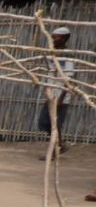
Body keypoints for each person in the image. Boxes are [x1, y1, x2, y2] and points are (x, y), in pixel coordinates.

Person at [38, 26, 74, 157]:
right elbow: (49, 71)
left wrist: (62, 98)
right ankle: (60, 144)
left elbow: (70, 78)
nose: (53, 39)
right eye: (52, 36)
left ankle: (55, 150)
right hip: (51, 93)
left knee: (55, 123)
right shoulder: (51, 53)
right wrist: (46, 88)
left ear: (64, 39)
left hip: (61, 96)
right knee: (44, 122)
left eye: (56, 37)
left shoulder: (67, 56)